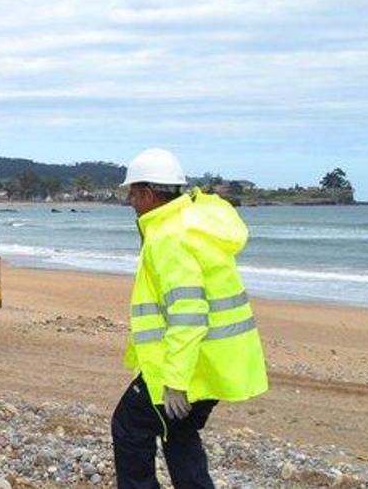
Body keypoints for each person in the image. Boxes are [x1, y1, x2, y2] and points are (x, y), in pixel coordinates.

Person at [111, 148, 269, 488]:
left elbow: (188, 313)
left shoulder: (169, 237)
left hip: (190, 367)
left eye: (133, 194)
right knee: (178, 433)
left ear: (150, 195)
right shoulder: (193, 222)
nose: (130, 201)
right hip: (213, 361)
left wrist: (175, 382)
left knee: (129, 426)